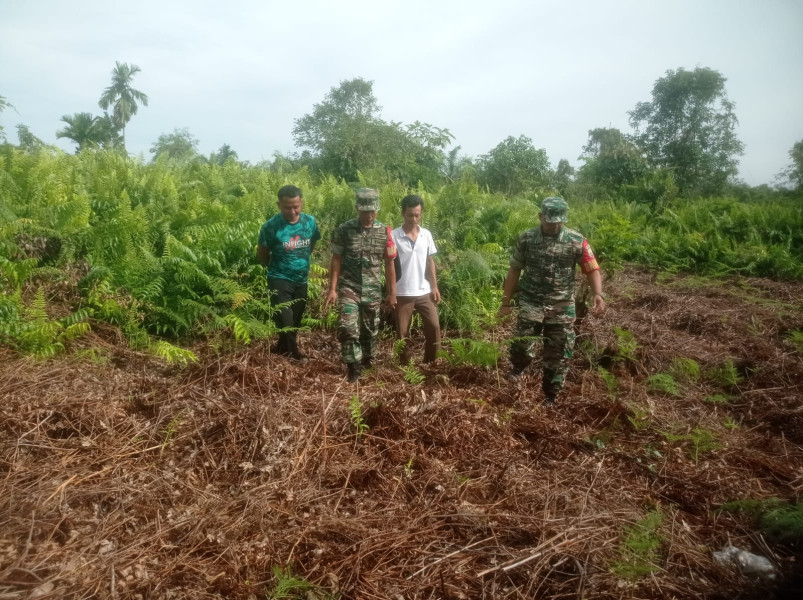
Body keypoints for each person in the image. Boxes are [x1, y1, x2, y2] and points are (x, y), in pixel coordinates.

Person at [498, 196, 605, 405]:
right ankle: (517, 372)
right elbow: (514, 271)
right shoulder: (526, 239)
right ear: (540, 217)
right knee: (520, 344)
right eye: (550, 221)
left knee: (558, 353)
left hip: (562, 306)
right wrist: (505, 303)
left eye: (559, 221)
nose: (555, 225)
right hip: (531, 302)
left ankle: (550, 397)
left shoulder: (576, 240)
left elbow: (592, 269)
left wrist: (598, 294)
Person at [323, 188, 397, 382]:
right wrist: (332, 289)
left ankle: (367, 360)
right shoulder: (344, 230)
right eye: (365, 211)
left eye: (372, 211)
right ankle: (353, 366)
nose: (369, 215)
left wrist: (392, 293)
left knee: (370, 329)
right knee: (347, 327)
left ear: (378, 210)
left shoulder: (385, 232)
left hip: (372, 289)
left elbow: (389, 263)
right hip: (349, 288)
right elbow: (336, 259)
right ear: (357, 208)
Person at [257, 185, 321, 363]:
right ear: (279, 205)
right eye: (287, 207)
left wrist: (302, 261)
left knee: (296, 318)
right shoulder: (271, 226)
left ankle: (281, 348)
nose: (292, 211)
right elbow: (262, 252)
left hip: (301, 278)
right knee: (286, 318)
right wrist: (275, 268)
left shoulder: (310, 222)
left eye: (296, 207)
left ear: (301, 203)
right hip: (279, 278)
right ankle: (294, 356)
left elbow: (312, 243)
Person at [391, 195, 441, 364]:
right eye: (410, 215)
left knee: (434, 326)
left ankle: (431, 362)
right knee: (402, 333)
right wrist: (391, 292)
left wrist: (434, 287)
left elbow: (429, 261)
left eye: (417, 215)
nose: (413, 219)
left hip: (423, 291)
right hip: (402, 292)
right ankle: (405, 366)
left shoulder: (426, 235)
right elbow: (388, 265)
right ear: (402, 213)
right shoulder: (394, 236)